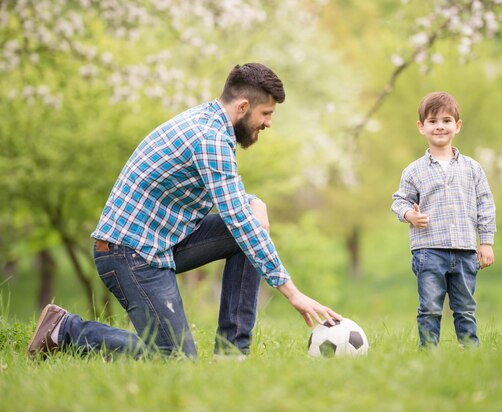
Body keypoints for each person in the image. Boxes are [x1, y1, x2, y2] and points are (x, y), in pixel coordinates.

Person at [27, 63, 341, 359]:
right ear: (243, 107)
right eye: (266, 113)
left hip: (160, 243)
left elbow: (232, 202)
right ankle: (65, 330)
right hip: (128, 255)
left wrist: (252, 202)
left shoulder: (209, 123)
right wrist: (292, 293)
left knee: (249, 227)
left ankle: (231, 354)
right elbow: (237, 218)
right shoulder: (211, 138)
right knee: (175, 359)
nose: (269, 123)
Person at [391, 92, 496, 348]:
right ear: (421, 127)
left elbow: (485, 204)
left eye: (446, 120)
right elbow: (399, 201)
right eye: (433, 121)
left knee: (465, 308)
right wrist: (410, 215)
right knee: (429, 307)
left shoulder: (472, 168)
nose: (440, 126)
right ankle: (428, 351)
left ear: (457, 126)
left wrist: (486, 242)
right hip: (429, 251)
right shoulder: (414, 170)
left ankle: (470, 350)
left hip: (464, 251)